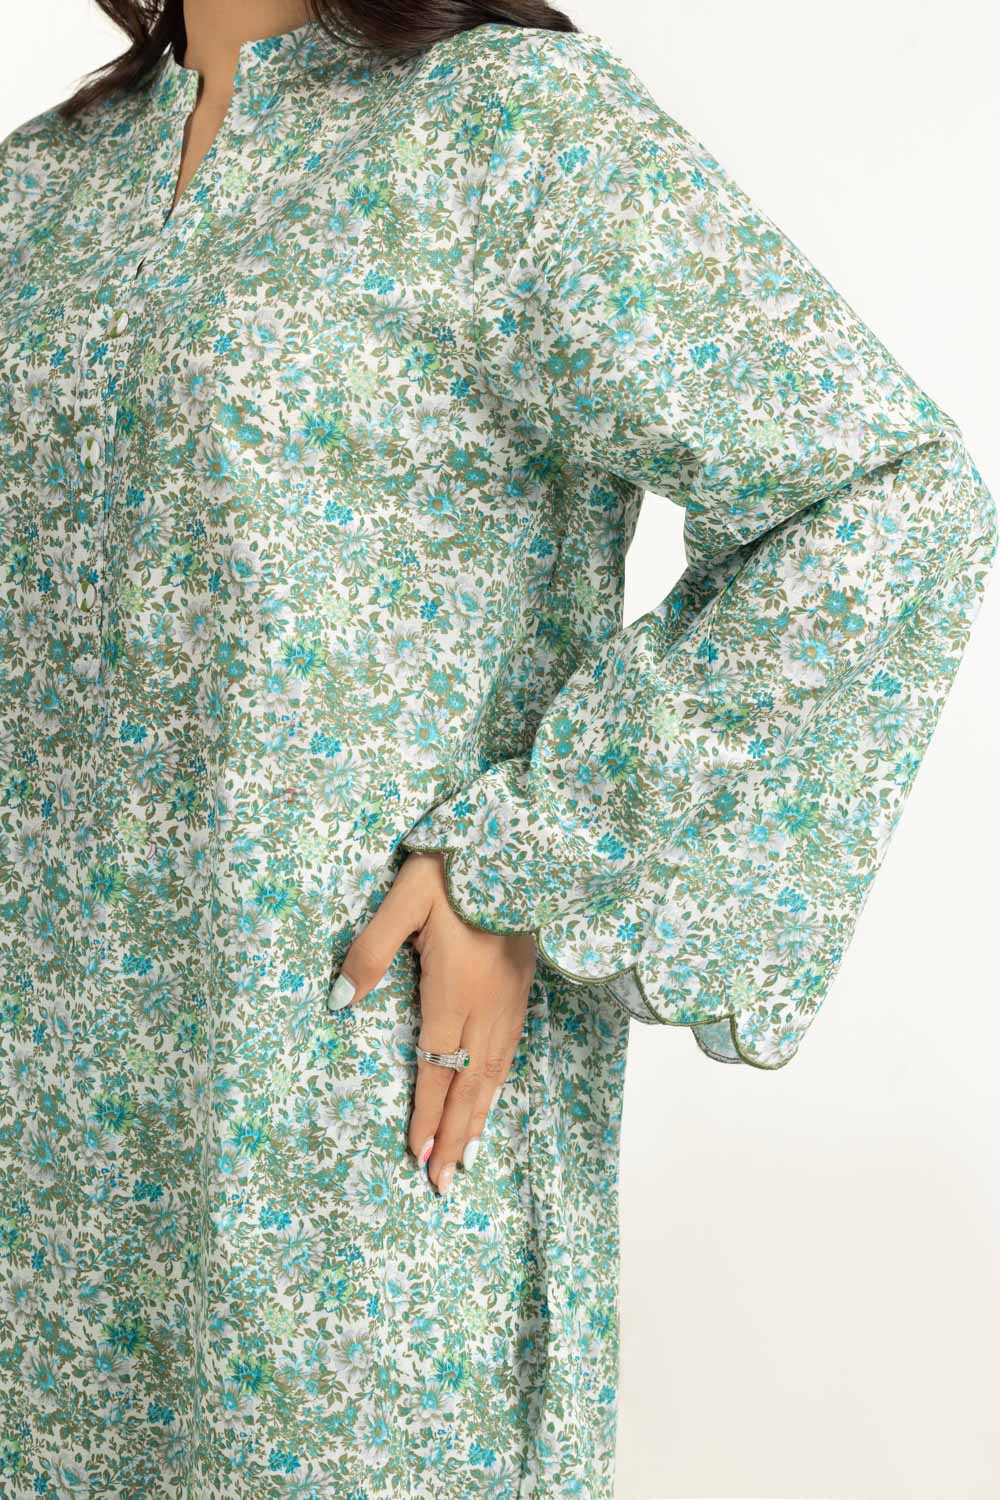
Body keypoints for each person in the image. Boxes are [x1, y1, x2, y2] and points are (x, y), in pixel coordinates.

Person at [0, 1, 995, 1495]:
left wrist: (529, 857)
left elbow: (883, 495)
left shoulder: (505, 132)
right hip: (50, 1162)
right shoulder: (42, 191)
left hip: (351, 1118)